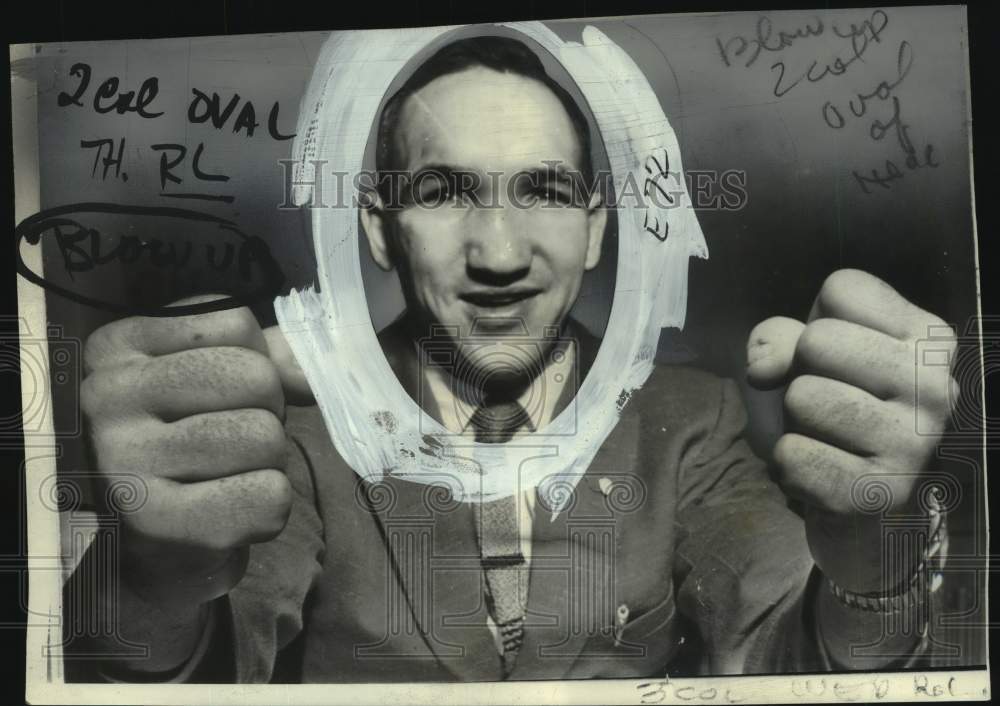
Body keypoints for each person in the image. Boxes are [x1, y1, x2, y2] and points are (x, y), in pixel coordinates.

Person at [68, 35, 957, 682]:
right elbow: (213, 653)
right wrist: (146, 588)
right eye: (444, 191)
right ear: (379, 228)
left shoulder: (692, 418)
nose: (498, 253)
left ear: (598, 225)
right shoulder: (287, 429)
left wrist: (875, 572)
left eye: (544, 190)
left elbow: (784, 658)